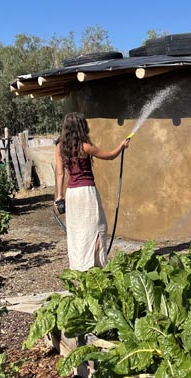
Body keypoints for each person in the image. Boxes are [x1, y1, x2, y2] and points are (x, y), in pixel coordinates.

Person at [55, 112, 129, 271]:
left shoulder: (60, 147)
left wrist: (59, 196)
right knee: (97, 227)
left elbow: (60, 173)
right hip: (87, 192)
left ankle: (80, 266)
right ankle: (95, 265)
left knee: (78, 231)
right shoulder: (85, 146)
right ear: (82, 127)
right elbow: (109, 156)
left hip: (72, 194)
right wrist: (121, 146)